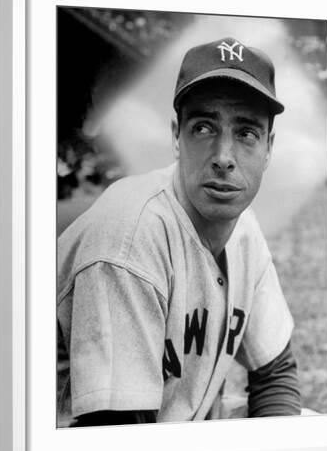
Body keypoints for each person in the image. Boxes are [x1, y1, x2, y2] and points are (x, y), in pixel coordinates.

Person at [57, 36, 301, 427]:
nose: (224, 157)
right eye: (204, 127)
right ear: (176, 136)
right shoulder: (129, 239)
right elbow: (115, 438)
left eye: (246, 133)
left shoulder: (243, 228)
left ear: (268, 147)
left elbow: (275, 374)